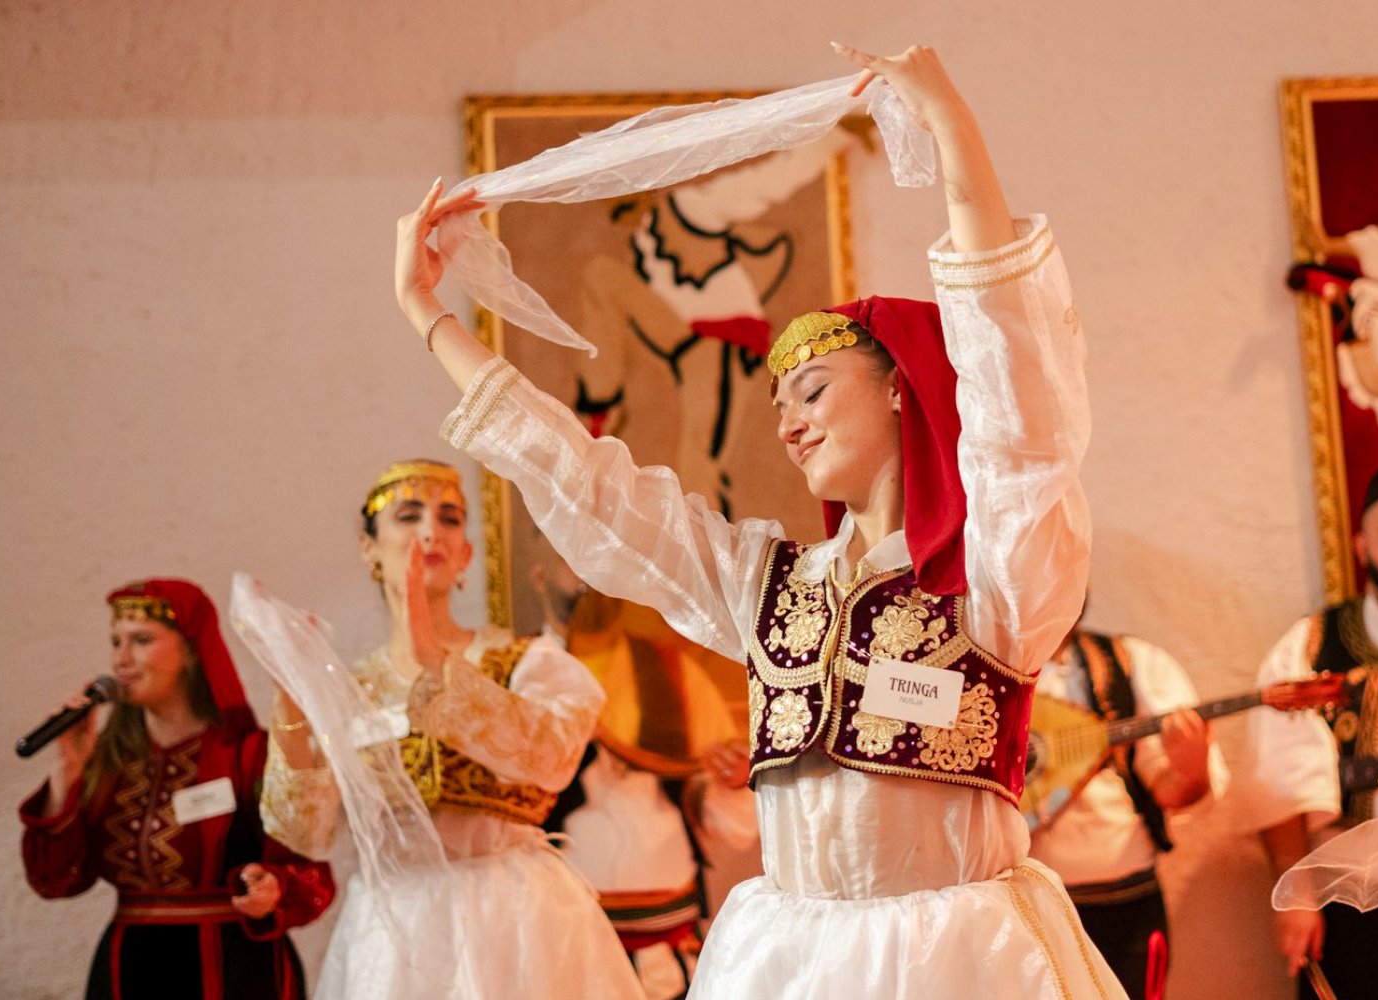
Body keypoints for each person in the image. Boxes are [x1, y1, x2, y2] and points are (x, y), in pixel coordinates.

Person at [395, 41, 1122, 999]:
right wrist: (429, 315)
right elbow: (594, 487)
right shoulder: (766, 583)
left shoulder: (992, 576)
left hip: (961, 961)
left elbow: (1016, 398)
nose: (789, 423)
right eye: (779, 402)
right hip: (793, 963)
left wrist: (951, 126)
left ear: (900, 387)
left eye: (813, 390)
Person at [259, 459, 646, 1000]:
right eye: (408, 516)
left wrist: (436, 663)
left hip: (515, 918)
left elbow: (554, 759)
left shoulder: (526, 661)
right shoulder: (353, 690)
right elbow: (305, 832)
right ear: (369, 549)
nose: (430, 532)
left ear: (464, 554)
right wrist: (290, 701)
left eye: (449, 518)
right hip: (395, 928)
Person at [19, 578, 333, 1000]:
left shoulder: (246, 754)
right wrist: (68, 770)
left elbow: (310, 872)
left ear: (190, 650)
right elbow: (55, 880)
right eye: (116, 642)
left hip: (234, 969)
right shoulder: (110, 762)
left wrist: (272, 887)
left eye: (141, 640)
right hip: (129, 969)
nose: (121, 659)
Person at [546, 589, 761, 999]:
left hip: (665, 959)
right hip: (561, 953)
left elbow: (727, 821)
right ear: (539, 575)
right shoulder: (517, 672)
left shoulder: (673, 672)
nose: (583, 575)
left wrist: (731, 779)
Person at [1029, 624, 1224, 1000]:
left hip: (1127, 909)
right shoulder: (974, 664)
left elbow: (1171, 790)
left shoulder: (1131, 662)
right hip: (1022, 910)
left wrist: (1191, 768)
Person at [1244, 470, 1378, 1000]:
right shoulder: (1311, 646)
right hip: (1350, 898)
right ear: (1361, 544)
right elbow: (1281, 780)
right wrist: (1298, 893)